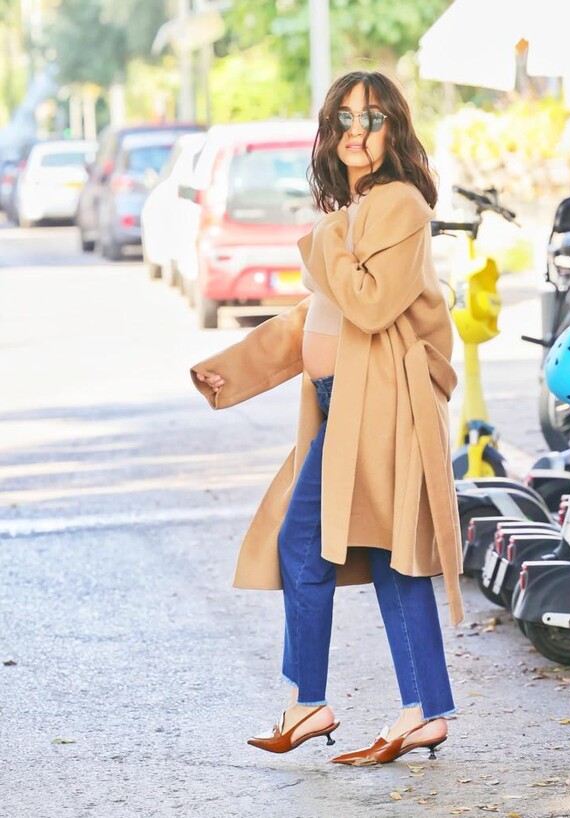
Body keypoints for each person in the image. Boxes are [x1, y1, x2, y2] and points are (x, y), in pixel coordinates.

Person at [191, 70, 464, 766]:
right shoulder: (357, 211)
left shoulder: (397, 204)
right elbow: (318, 318)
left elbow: (368, 305)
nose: (355, 131)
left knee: (308, 541)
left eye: (370, 118)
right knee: (376, 552)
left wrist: (327, 239)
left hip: (381, 406)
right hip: (348, 405)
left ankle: (318, 702)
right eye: (343, 118)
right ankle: (410, 709)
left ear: (393, 130)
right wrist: (234, 368)